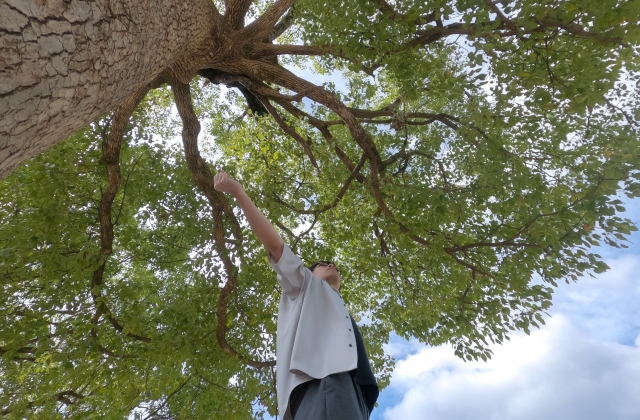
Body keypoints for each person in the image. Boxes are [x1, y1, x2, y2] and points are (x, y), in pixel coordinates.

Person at [213, 170, 379, 420]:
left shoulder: (337, 306)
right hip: (323, 381)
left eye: (334, 264)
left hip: (354, 394)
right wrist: (239, 192)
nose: (331, 265)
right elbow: (275, 245)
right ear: (310, 273)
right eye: (323, 263)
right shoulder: (305, 285)